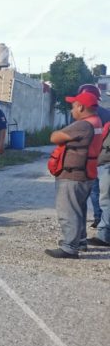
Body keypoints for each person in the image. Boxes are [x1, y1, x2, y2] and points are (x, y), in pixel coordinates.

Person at [45, 91, 103, 259]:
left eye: (73, 106)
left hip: (73, 175)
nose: (71, 110)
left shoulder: (83, 125)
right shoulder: (97, 121)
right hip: (85, 173)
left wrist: (61, 135)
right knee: (78, 209)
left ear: (81, 107)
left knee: (68, 211)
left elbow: (54, 137)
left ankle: (69, 248)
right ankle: (80, 241)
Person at [79, 84, 110, 228]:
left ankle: (99, 220)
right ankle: (103, 221)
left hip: (91, 159)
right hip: (103, 159)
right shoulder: (107, 114)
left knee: (95, 192)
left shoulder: (82, 115)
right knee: (104, 195)